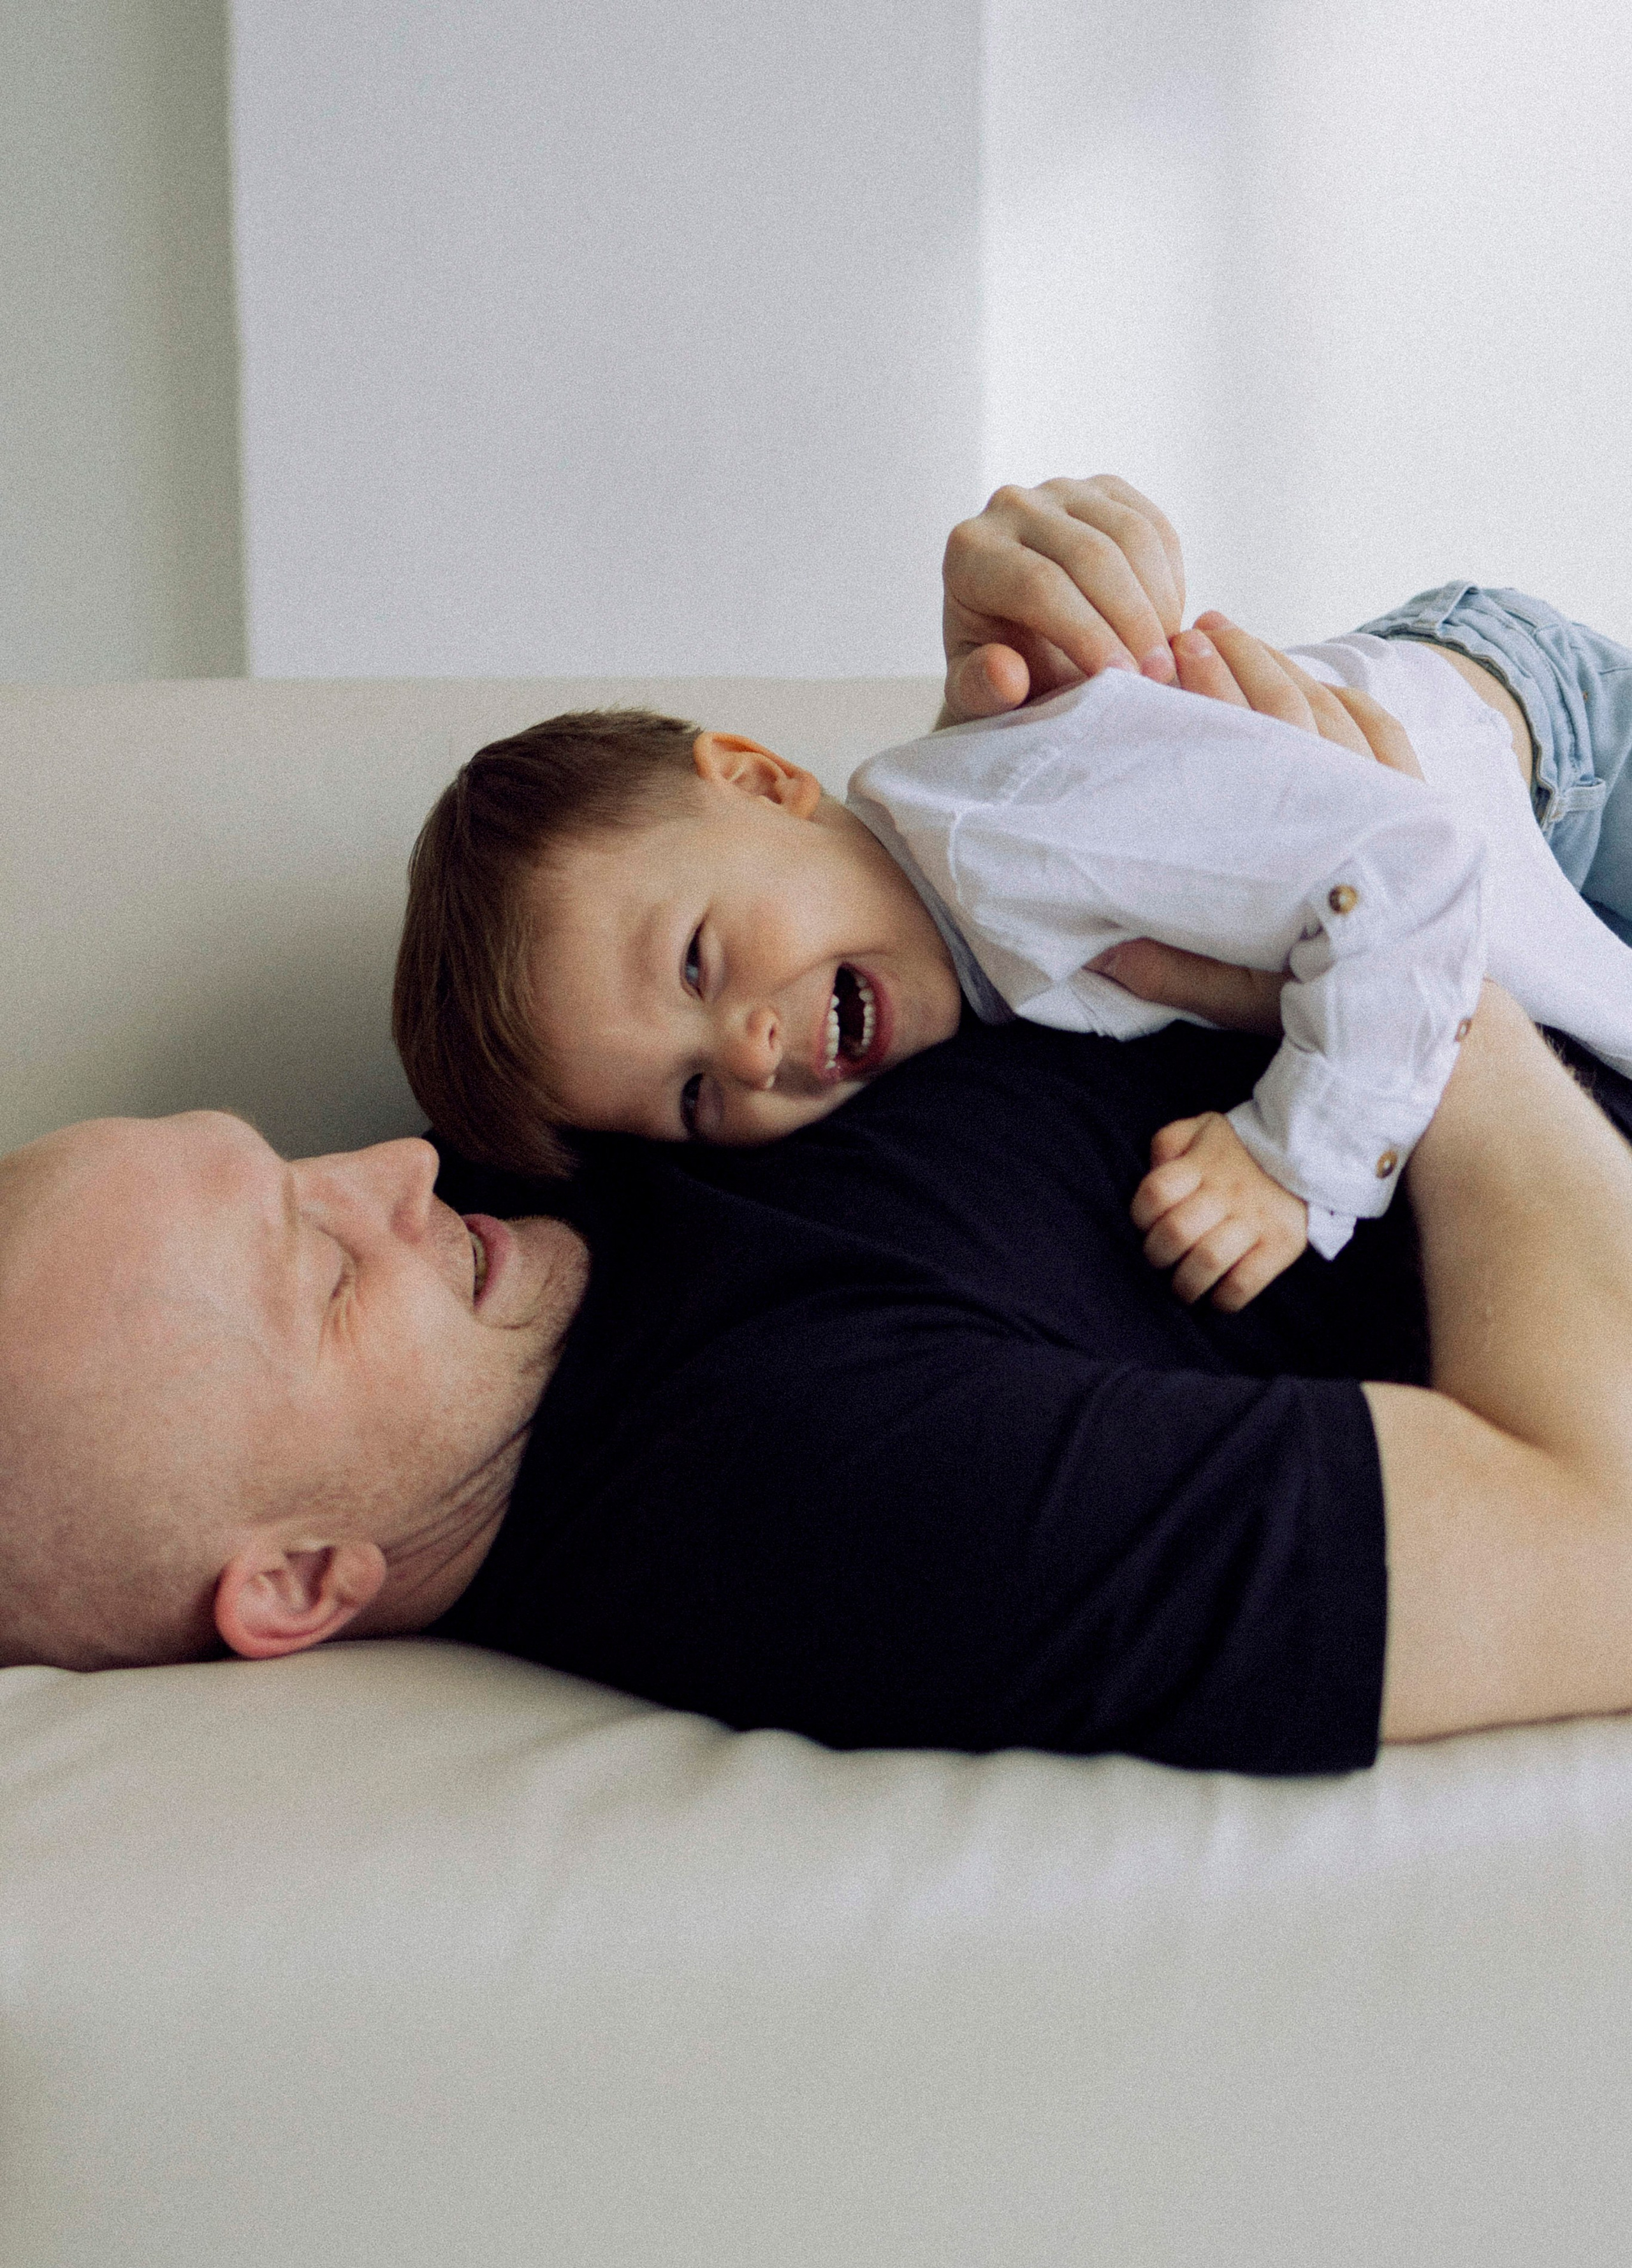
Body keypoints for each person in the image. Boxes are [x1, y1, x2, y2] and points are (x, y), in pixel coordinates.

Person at [4, 479, 1632, 1777]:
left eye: (296, 1171)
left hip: (1456, 733)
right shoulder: (839, 1506)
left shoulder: (537, 1173)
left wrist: (1039, 749)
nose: (393, 1169)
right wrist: (1415, 963)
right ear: (298, 1580)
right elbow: (1598, 1544)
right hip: (1493, 928)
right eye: (320, 1269)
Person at [392, 484, 1632, 1308]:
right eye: (693, 1095)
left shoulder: (1011, 832)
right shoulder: (954, 924)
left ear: (765, 781)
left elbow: (1405, 866)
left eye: (697, 964)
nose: (750, 1048)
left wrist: (1290, 1163)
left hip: (1547, 755)